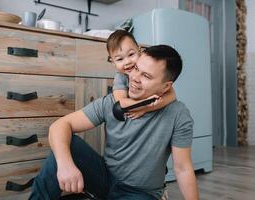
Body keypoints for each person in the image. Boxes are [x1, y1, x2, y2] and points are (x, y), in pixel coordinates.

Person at [30, 45, 199, 200]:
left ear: (165, 87)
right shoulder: (112, 102)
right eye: (136, 69)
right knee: (66, 145)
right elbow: (59, 126)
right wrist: (65, 165)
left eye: (146, 76)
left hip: (140, 193)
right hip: (105, 179)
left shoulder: (178, 114)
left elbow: (183, 168)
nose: (135, 78)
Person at [107, 30, 176, 119]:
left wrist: (145, 109)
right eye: (120, 59)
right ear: (113, 62)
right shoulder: (120, 77)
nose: (127, 62)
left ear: (139, 50)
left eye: (131, 54)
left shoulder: (148, 65)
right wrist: (145, 104)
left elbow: (172, 95)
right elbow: (121, 103)